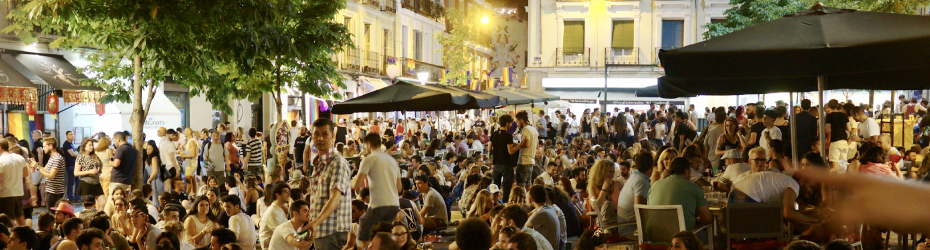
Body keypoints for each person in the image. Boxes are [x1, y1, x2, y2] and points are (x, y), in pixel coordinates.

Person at [306, 118, 352, 250]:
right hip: (321, 231)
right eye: (316, 134)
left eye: (325, 134)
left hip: (332, 231)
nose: (320, 138)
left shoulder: (338, 163)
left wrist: (315, 223)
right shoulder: (318, 163)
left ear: (333, 136)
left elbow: (335, 199)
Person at [353, 133, 401, 248]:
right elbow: (399, 188)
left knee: (363, 228)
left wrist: (349, 182)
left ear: (368, 145)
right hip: (394, 205)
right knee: (383, 236)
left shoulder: (369, 159)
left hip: (379, 205)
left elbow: (357, 184)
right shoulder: (392, 161)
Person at [648, 157, 711, 232]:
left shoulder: (654, 186)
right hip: (682, 237)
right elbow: (706, 219)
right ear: (685, 171)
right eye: (690, 171)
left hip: (655, 236)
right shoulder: (694, 188)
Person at [0, 139, 28, 226]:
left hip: (6, 194)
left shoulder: (1, 160)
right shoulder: (19, 157)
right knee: (20, 218)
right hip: (19, 193)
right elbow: (25, 173)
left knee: (9, 221)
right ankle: (26, 236)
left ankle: (11, 238)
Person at [525, 185, 561, 250]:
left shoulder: (540, 214)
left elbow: (523, 230)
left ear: (532, 199)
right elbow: (529, 215)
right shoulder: (549, 208)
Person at [34, 137, 65, 211]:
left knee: (53, 213)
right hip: (50, 190)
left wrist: (37, 167)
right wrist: (36, 165)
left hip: (55, 192)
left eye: (44, 146)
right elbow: (45, 169)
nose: (43, 149)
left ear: (51, 146)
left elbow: (51, 175)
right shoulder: (52, 158)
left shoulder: (57, 158)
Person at [258, 183, 290, 249]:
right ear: (277, 195)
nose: (289, 194)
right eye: (286, 192)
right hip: (270, 246)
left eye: (289, 192)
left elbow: (286, 226)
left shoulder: (279, 209)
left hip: (278, 243)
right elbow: (281, 232)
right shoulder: (272, 211)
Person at [75, 139, 104, 205]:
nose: (92, 147)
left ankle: (97, 215)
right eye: (89, 145)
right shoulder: (80, 157)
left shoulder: (94, 156)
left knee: (103, 203)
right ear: (84, 146)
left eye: (92, 145)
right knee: (89, 205)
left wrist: (99, 171)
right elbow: (76, 173)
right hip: (86, 183)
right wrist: (89, 172)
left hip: (96, 182)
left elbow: (101, 164)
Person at [514, 111, 538, 189]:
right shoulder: (533, 129)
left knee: (521, 185)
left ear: (521, 120)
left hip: (524, 160)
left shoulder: (525, 130)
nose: (517, 123)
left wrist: (515, 144)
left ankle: (522, 200)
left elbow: (526, 144)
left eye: (517, 121)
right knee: (528, 185)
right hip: (531, 160)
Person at [109, 132, 137, 198]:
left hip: (117, 179)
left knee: (113, 200)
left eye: (114, 140)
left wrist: (110, 162)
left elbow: (116, 163)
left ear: (118, 139)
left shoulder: (121, 149)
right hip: (128, 180)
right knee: (125, 201)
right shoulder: (133, 149)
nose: (114, 142)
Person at [62, 131, 79, 204]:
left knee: (77, 181)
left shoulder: (71, 144)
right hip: (70, 165)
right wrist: (79, 154)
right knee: (71, 182)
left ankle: (77, 197)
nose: (72, 136)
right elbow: (72, 154)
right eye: (70, 134)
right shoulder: (66, 144)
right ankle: (70, 197)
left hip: (75, 165)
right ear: (66, 136)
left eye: (73, 134)